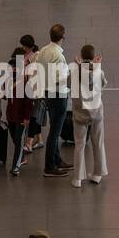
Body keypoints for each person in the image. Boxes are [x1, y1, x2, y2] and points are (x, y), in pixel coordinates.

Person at [37, 24, 70, 177]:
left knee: (54, 129)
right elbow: (60, 79)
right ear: (62, 37)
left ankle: (57, 160)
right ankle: (49, 166)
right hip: (58, 96)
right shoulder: (58, 55)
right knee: (55, 132)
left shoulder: (43, 51)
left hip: (47, 94)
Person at [71, 44, 107, 187]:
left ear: (81, 56)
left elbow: (69, 86)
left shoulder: (75, 73)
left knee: (79, 145)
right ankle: (98, 174)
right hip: (96, 113)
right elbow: (103, 85)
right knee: (98, 143)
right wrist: (97, 67)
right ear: (93, 57)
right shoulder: (99, 72)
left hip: (80, 114)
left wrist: (77, 66)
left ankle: (78, 178)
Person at [5, 46, 36, 177]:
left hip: (21, 115)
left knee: (18, 140)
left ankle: (15, 167)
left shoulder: (26, 79)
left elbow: (28, 100)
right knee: (15, 139)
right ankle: (22, 157)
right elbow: (5, 94)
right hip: (11, 114)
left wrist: (26, 117)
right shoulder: (10, 76)